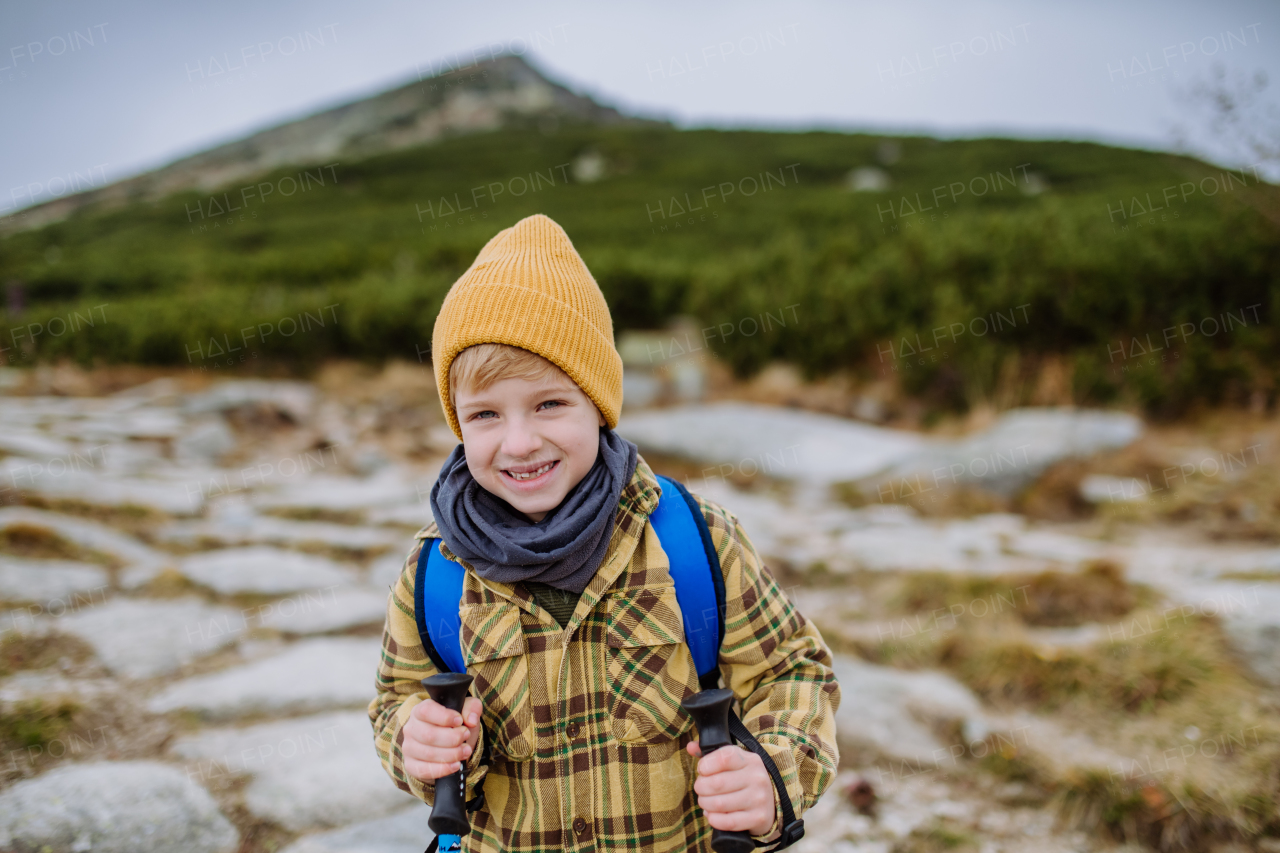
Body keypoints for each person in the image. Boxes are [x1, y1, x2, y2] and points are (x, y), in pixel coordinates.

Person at [368, 213, 840, 851]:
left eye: (549, 403)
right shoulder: (435, 571)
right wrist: (414, 741)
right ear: (458, 424)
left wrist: (773, 777)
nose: (519, 442)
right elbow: (397, 698)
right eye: (484, 414)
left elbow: (793, 672)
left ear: (599, 402)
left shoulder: (693, 541)